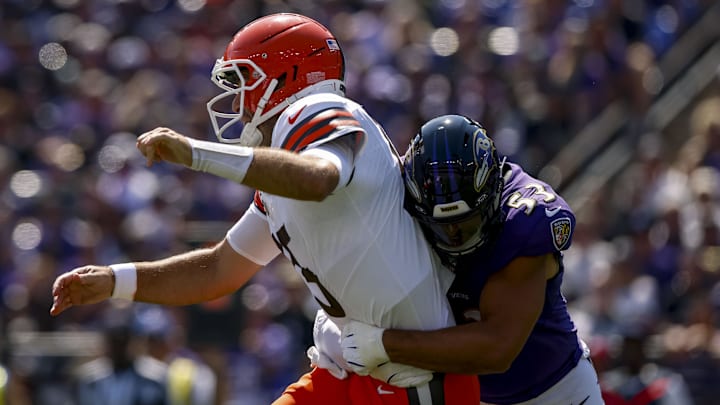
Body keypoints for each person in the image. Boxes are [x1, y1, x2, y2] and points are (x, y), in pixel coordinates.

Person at [49, 13, 480, 405]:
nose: (239, 103)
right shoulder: (282, 171)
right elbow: (218, 270)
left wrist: (196, 153)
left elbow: (318, 178)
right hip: (349, 371)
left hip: (413, 379)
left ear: (286, 76)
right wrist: (114, 281)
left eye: (244, 81)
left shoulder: (317, 110)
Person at [338, 115, 604, 404]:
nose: (454, 236)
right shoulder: (405, 207)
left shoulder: (524, 221)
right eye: (443, 225)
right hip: (472, 396)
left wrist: (382, 344)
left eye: (465, 223)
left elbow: (497, 349)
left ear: (492, 192)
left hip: (557, 390)